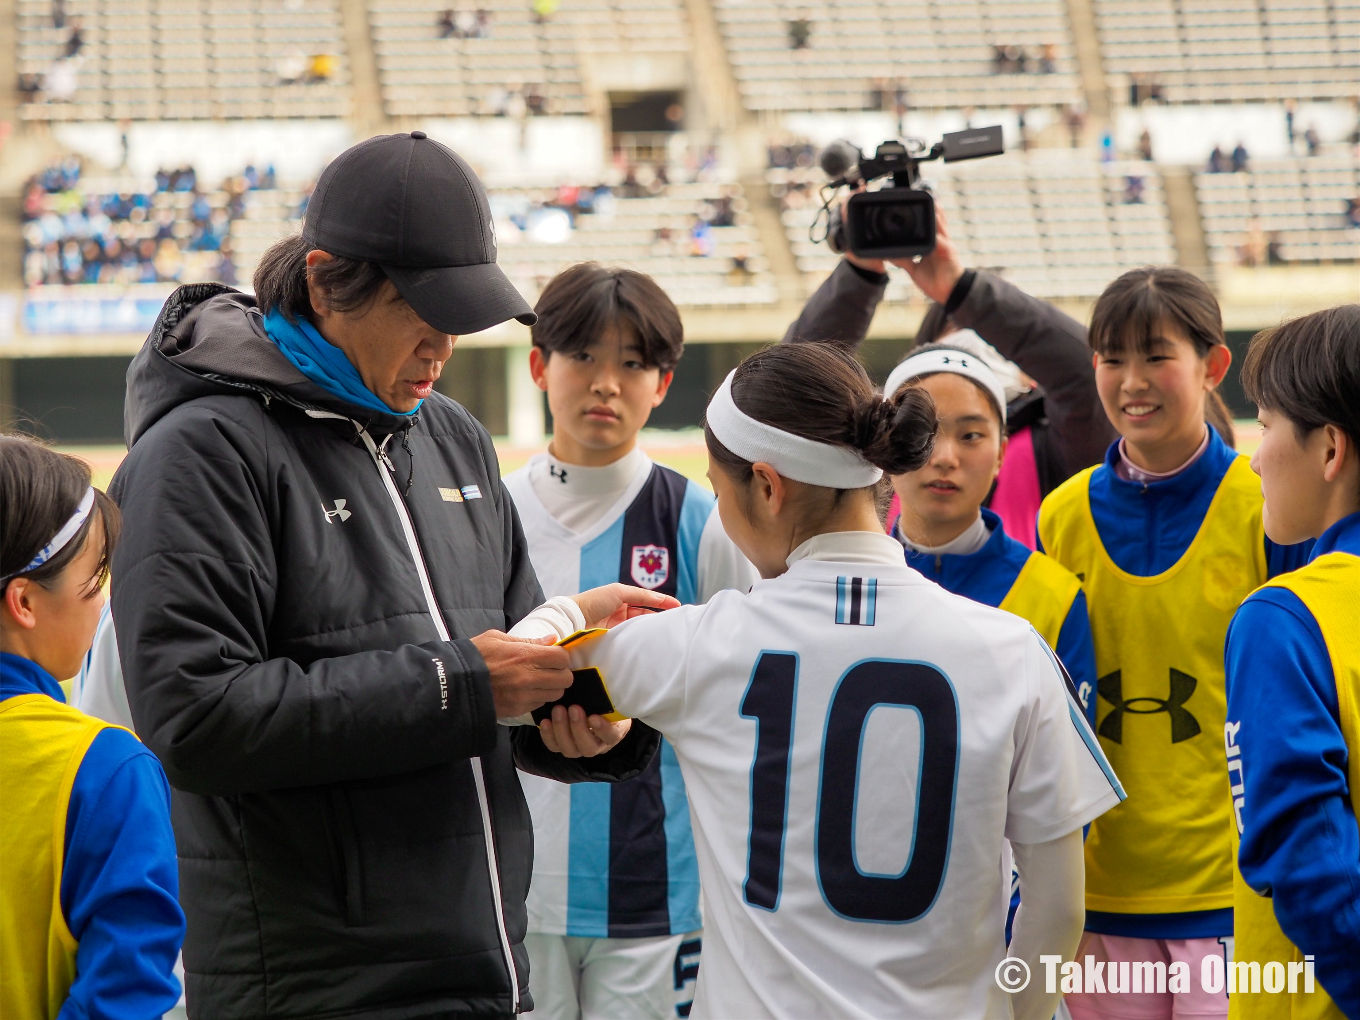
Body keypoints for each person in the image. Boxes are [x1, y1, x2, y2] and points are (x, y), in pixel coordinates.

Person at [107, 131, 667, 1019]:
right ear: (328, 281)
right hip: (311, 986)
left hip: (484, 970)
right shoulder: (199, 451)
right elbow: (195, 717)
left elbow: (504, 664)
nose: (443, 347)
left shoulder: (452, 434)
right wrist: (465, 684)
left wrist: (578, 713)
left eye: (461, 317)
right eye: (424, 312)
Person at [507, 343, 1124, 1018]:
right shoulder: (1012, 649)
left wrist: (572, 610)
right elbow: (1058, 905)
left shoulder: (697, 643)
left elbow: (516, 679)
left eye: (721, 490)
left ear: (767, 487)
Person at [1037, 267, 1313, 1020]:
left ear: (1212, 365)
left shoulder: (1266, 507)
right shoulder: (1059, 517)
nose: (1132, 381)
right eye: (1110, 357)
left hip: (1232, 892)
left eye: (1155, 355)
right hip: (1096, 894)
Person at [503, 263, 758, 1019]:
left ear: (664, 383)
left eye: (632, 362)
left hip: (658, 895)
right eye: (584, 355)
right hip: (515, 889)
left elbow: (740, 696)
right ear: (539, 366)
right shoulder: (489, 514)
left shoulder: (702, 520)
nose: (606, 382)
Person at [783, 208, 1118, 547]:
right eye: (929, 431)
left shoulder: (1055, 450)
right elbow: (791, 384)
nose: (944, 458)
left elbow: (1086, 377)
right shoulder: (866, 455)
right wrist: (859, 275)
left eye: (971, 435)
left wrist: (962, 289)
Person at [0, 434, 184, 1020]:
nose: (101, 605)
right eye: (93, 578)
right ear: (24, 602)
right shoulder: (105, 770)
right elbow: (125, 996)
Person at [1225, 305, 1360, 1020]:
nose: (1254, 454)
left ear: (1330, 449)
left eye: (1268, 424)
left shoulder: (1284, 619)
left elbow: (1303, 858)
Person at [882, 345, 1096, 720]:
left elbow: (1072, 764)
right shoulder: (847, 585)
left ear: (1000, 454)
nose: (945, 457)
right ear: (883, 446)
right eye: (921, 430)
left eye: (970, 435)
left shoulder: (1053, 597)